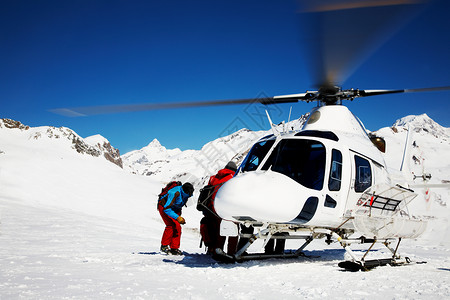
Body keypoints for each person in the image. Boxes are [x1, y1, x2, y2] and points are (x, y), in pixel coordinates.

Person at [199, 161, 238, 256]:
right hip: (227, 209)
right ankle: (232, 253)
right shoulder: (234, 178)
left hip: (212, 209)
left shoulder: (214, 177)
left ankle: (215, 250)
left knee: (217, 230)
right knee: (233, 231)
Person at [158, 182, 194, 255]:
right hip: (164, 207)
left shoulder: (186, 193)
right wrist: (177, 217)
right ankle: (164, 246)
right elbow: (166, 209)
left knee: (177, 227)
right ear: (185, 191)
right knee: (171, 225)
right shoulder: (174, 192)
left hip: (175, 209)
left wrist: (178, 216)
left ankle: (174, 248)